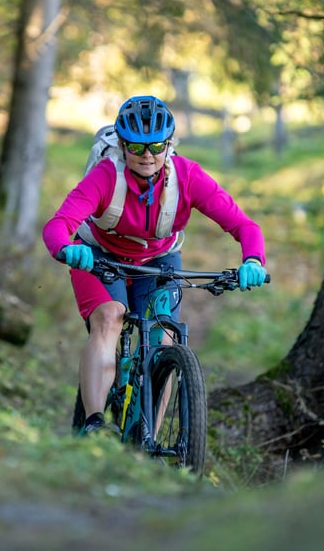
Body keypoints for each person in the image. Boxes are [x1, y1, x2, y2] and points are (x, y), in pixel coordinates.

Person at [41, 95, 267, 435]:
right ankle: (94, 423)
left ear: (169, 144)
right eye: (136, 147)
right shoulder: (106, 176)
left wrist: (253, 259)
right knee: (109, 317)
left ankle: (146, 440)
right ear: (122, 145)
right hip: (99, 255)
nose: (147, 155)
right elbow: (58, 225)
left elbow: (245, 226)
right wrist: (67, 249)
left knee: (162, 343)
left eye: (157, 146)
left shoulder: (188, 177)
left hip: (159, 260)